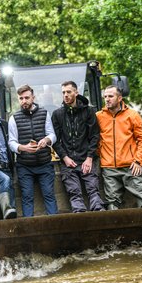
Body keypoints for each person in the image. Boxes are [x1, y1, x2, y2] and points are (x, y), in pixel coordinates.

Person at [96, 85, 142, 210]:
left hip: (131, 166)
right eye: (105, 96)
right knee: (112, 204)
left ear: (119, 98)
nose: (107, 99)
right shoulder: (99, 117)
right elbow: (94, 140)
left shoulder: (132, 115)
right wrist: (100, 154)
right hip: (109, 168)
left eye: (111, 96)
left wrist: (138, 161)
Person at [52, 81, 104, 213]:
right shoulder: (57, 114)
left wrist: (89, 157)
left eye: (69, 92)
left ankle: (99, 214)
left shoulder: (89, 111)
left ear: (76, 92)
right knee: (74, 192)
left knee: (93, 189)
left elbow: (94, 136)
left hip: (86, 158)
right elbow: (55, 140)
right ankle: (79, 215)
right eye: (63, 92)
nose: (66, 95)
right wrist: (64, 157)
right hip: (68, 161)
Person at [8, 84, 58, 217]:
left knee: (49, 195)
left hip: (45, 163)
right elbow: (11, 142)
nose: (24, 101)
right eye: (21, 98)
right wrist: (23, 147)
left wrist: (46, 140)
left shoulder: (44, 113)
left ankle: (55, 227)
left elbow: (52, 134)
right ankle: (28, 229)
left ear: (33, 97)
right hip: (25, 166)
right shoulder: (13, 118)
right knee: (27, 198)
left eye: (26, 98)